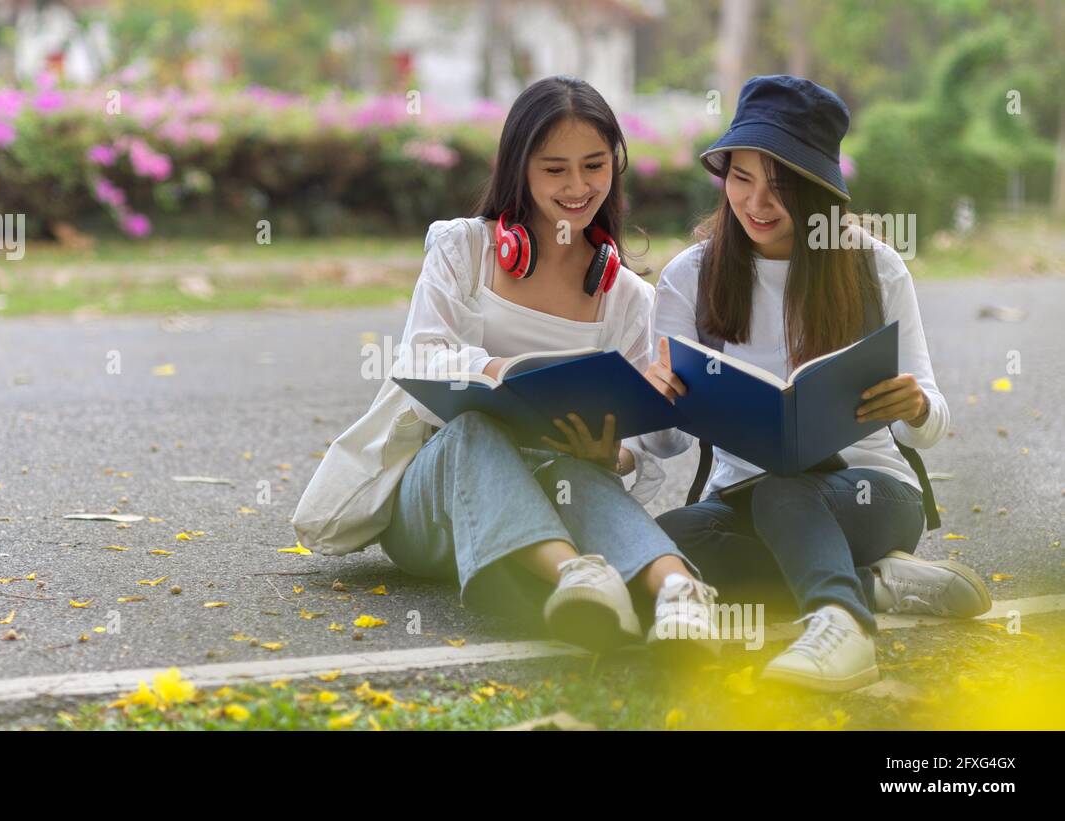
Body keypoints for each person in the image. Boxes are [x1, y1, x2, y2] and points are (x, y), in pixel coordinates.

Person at [640, 75, 992, 692]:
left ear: (820, 189)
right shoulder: (690, 275)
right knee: (660, 545)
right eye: (742, 178)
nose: (757, 203)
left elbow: (931, 422)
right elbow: (666, 442)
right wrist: (657, 399)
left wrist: (913, 404)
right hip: (740, 498)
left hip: (871, 493)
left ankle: (842, 625)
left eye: (782, 186)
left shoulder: (872, 266)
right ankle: (876, 583)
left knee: (785, 490)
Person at [376, 75, 719, 656]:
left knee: (581, 468)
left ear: (615, 165)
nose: (578, 186)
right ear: (520, 168)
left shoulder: (629, 297)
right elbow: (418, 362)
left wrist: (617, 450)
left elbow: (663, 435)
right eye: (554, 168)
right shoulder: (462, 249)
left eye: (594, 165)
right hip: (437, 506)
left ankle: (681, 593)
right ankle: (578, 577)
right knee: (474, 429)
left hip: (560, 490)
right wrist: (501, 371)